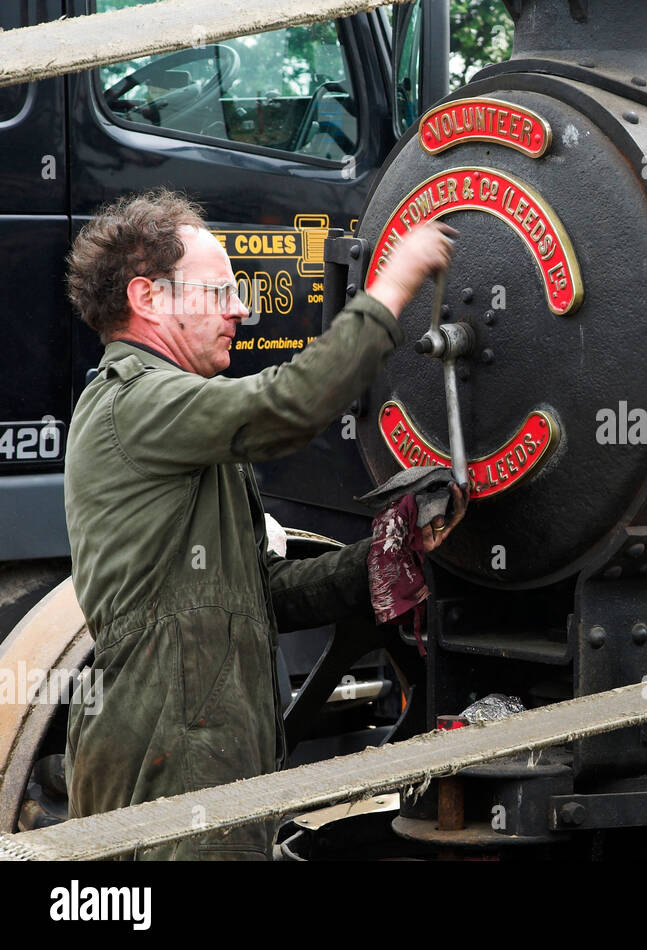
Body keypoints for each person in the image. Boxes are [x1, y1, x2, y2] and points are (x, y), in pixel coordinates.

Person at [62, 189, 459, 860]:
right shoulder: (136, 402)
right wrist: (393, 286)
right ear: (148, 299)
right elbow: (290, 404)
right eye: (219, 293)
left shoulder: (178, 424)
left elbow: (261, 595)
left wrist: (388, 557)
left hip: (202, 752)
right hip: (174, 756)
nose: (241, 310)